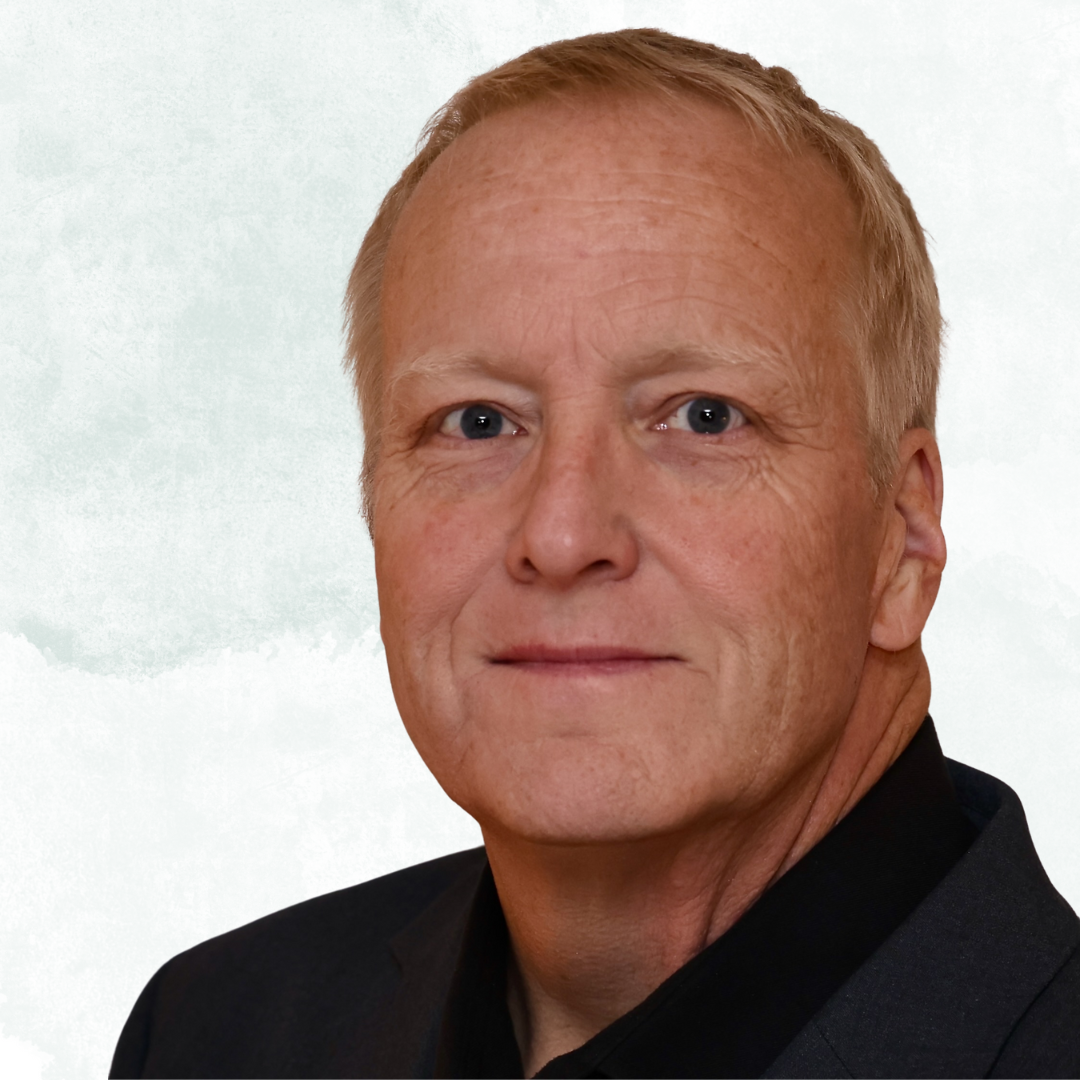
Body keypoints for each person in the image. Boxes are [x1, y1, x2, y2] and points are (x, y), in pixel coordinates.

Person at [110, 28, 1080, 1079]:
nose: (562, 537)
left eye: (704, 417)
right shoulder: (217, 1036)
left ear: (903, 536)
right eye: (478, 423)